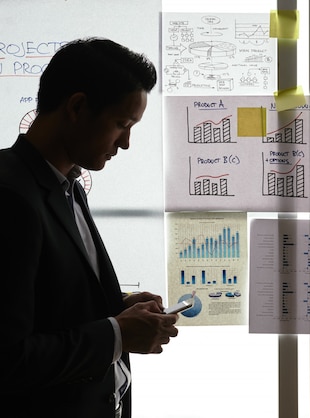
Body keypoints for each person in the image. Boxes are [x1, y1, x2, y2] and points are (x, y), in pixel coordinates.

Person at [0, 38, 179, 418]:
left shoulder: (67, 185)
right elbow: (8, 359)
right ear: (78, 107)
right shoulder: (9, 196)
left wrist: (117, 306)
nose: (127, 144)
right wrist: (117, 334)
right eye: (121, 124)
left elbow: (46, 302)